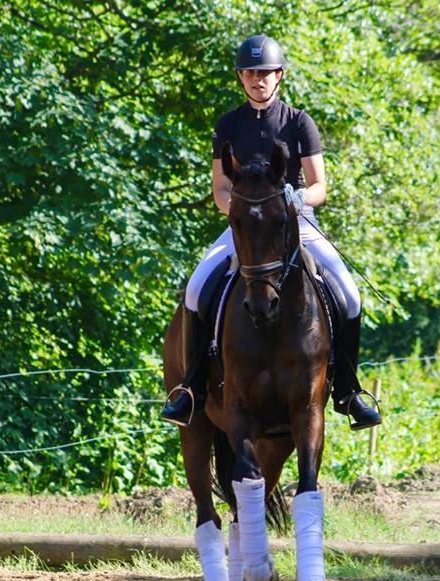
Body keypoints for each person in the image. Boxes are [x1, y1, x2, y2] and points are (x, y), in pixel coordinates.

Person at [162, 34, 381, 431]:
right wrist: (245, 212)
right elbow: (220, 190)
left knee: (349, 294)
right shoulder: (228, 125)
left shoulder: (299, 122)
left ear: (278, 76)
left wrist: (296, 201)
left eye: (264, 73)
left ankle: (348, 390)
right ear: (241, 78)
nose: (256, 79)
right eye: (249, 73)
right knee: (196, 289)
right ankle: (192, 389)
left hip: (296, 224)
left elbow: (319, 186)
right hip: (245, 228)